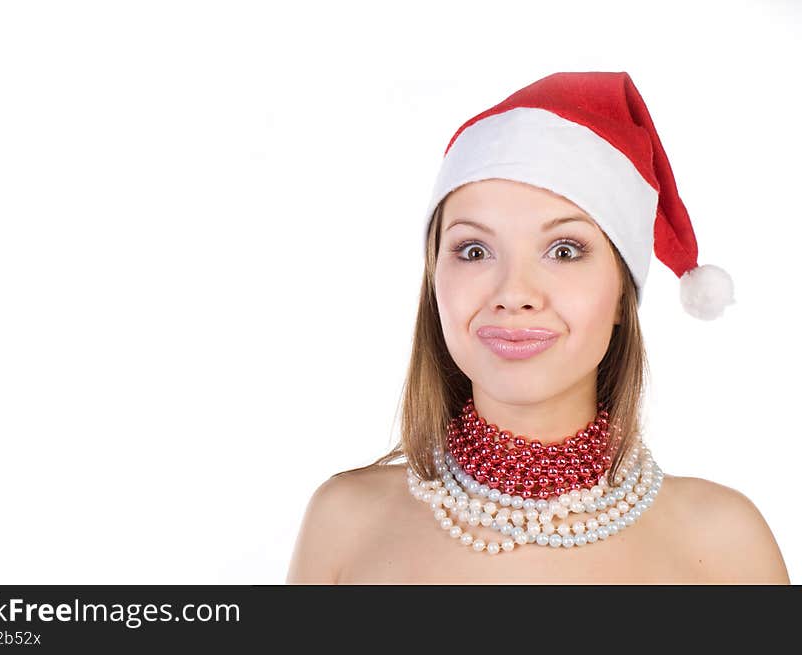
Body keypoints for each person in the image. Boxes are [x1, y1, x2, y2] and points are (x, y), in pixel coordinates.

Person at [286, 71, 790, 584]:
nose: (514, 293)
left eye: (564, 251)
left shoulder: (726, 544)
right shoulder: (344, 524)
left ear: (622, 292)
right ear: (436, 279)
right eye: (474, 251)